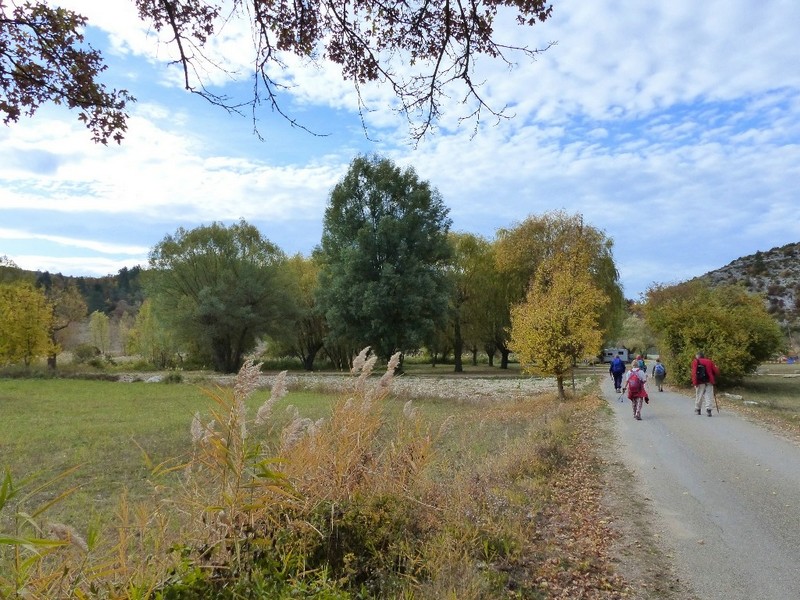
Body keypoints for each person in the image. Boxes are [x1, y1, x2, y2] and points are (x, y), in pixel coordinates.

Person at [691, 352, 720, 417]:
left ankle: (698, 409)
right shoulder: (709, 361)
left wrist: (695, 383)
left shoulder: (695, 362)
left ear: (698, 356)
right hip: (709, 381)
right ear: (703, 356)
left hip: (699, 382)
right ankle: (709, 410)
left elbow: (694, 373)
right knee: (709, 396)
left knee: (699, 395)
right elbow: (716, 371)